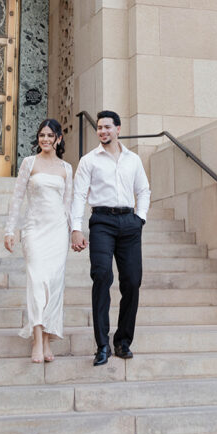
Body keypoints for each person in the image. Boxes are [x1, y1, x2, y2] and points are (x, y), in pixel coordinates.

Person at [71, 110, 151, 366]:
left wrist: (140, 218)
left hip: (129, 223)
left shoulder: (133, 160)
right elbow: (79, 195)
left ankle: (123, 341)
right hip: (102, 222)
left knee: (132, 282)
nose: (103, 131)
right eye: (100, 128)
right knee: (102, 276)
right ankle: (102, 345)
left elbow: (143, 190)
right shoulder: (89, 160)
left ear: (118, 129)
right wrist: (76, 228)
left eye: (107, 127)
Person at [4, 118, 73, 363]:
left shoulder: (66, 168)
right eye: (41, 135)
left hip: (57, 232)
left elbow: (68, 205)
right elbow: (17, 198)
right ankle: (36, 339)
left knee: (53, 285)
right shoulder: (29, 163)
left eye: (49, 135)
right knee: (36, 281)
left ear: (58, 139)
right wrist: (9, 230)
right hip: (34, 230)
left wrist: (74, 230)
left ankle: (46, 340)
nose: (45, 139)